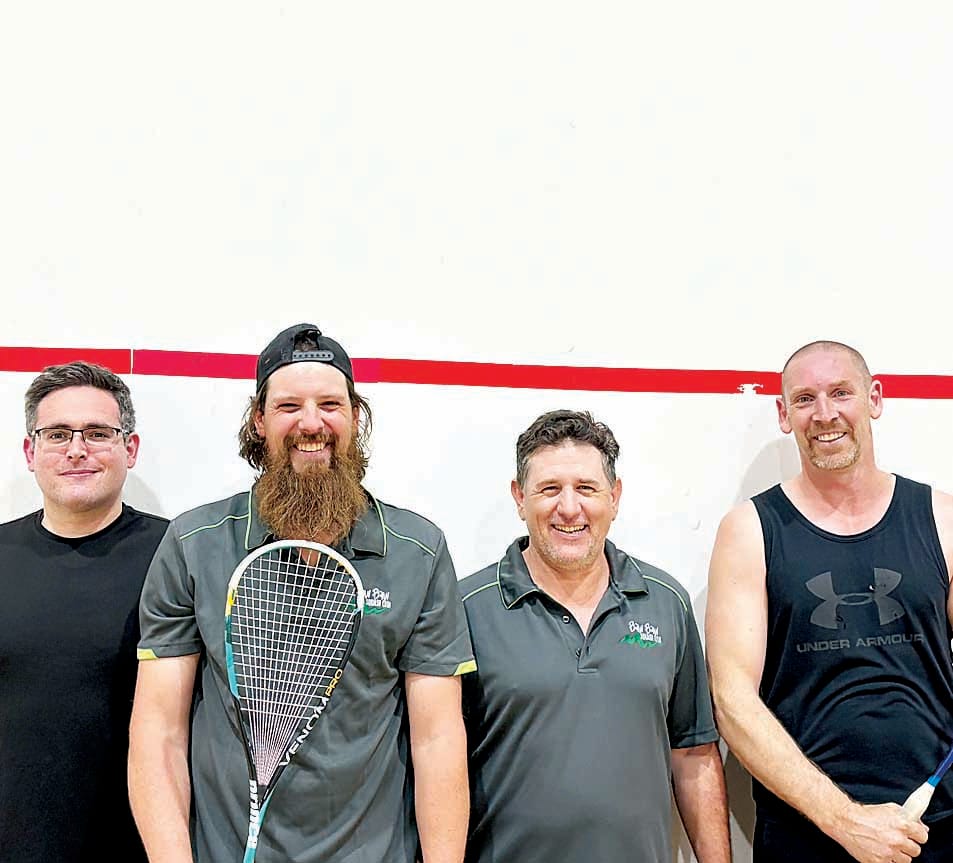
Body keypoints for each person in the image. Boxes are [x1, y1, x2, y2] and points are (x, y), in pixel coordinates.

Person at [129, 323, 476, 863]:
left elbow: (437, 740)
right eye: (289, 405)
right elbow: (159, 732)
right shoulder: (194, 544)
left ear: (356, 417)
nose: (311, 423)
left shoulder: (419, 551)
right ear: (259, 420)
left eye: (330, 404)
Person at [706, 340, 953, 863]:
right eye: (804, 398)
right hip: (805, 836)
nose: (825, 414)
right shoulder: (749, 531)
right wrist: (844, 820)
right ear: (783, 414)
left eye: (841, 392)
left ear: (875, 398)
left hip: (935, 828)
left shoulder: (942, 518)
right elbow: (732, 702)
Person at [459, 409, 731, 863]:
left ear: (615, 496)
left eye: (586, 488)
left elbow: (694, 755)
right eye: (550, 489)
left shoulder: (666, 603)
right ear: (519, 497)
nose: (569, 507)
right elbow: (434, 765)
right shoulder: (466, 608)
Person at [0, 361, 168, 863]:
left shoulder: (176, 556)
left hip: (138, 850)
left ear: (129, 449)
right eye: (57, 434)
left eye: (98, 433)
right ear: (31, 452)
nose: (77, 449)